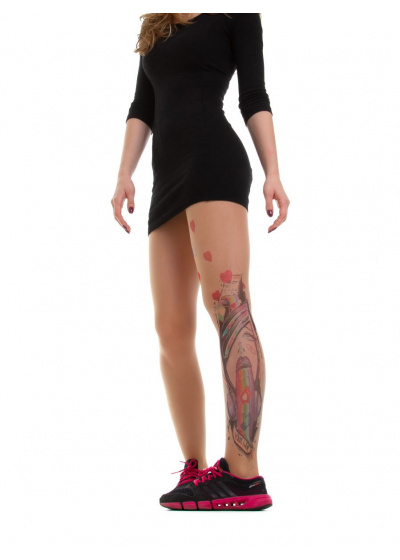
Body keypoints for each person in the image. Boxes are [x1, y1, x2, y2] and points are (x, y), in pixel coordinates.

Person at [111, 13, 290, 511]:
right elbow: (143, 106)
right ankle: (197, 469)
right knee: (170, 329)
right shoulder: (155, 25)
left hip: (214, 162)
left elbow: (254, 97)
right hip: (166, 178)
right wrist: (124, 173)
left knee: (231, 309)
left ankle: (243, 473)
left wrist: (273, 173)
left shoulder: (235, 15)